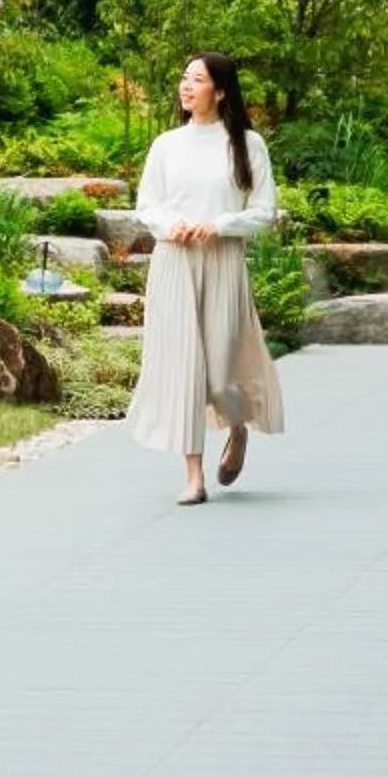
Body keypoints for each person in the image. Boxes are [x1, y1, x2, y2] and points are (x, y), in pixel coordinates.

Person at [124, 53, 283, 504]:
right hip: (175, 263)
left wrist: (219, 224)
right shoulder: (166, 145)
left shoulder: (246, 145)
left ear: (221, 90)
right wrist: (171, 226)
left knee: (220, 375)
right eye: (184, 78)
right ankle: (194, 476)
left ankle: (238, 426)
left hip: (223, 262)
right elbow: (148, 204)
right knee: (183, 374)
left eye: (198, 79)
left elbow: (263, 211)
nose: (186, 86)